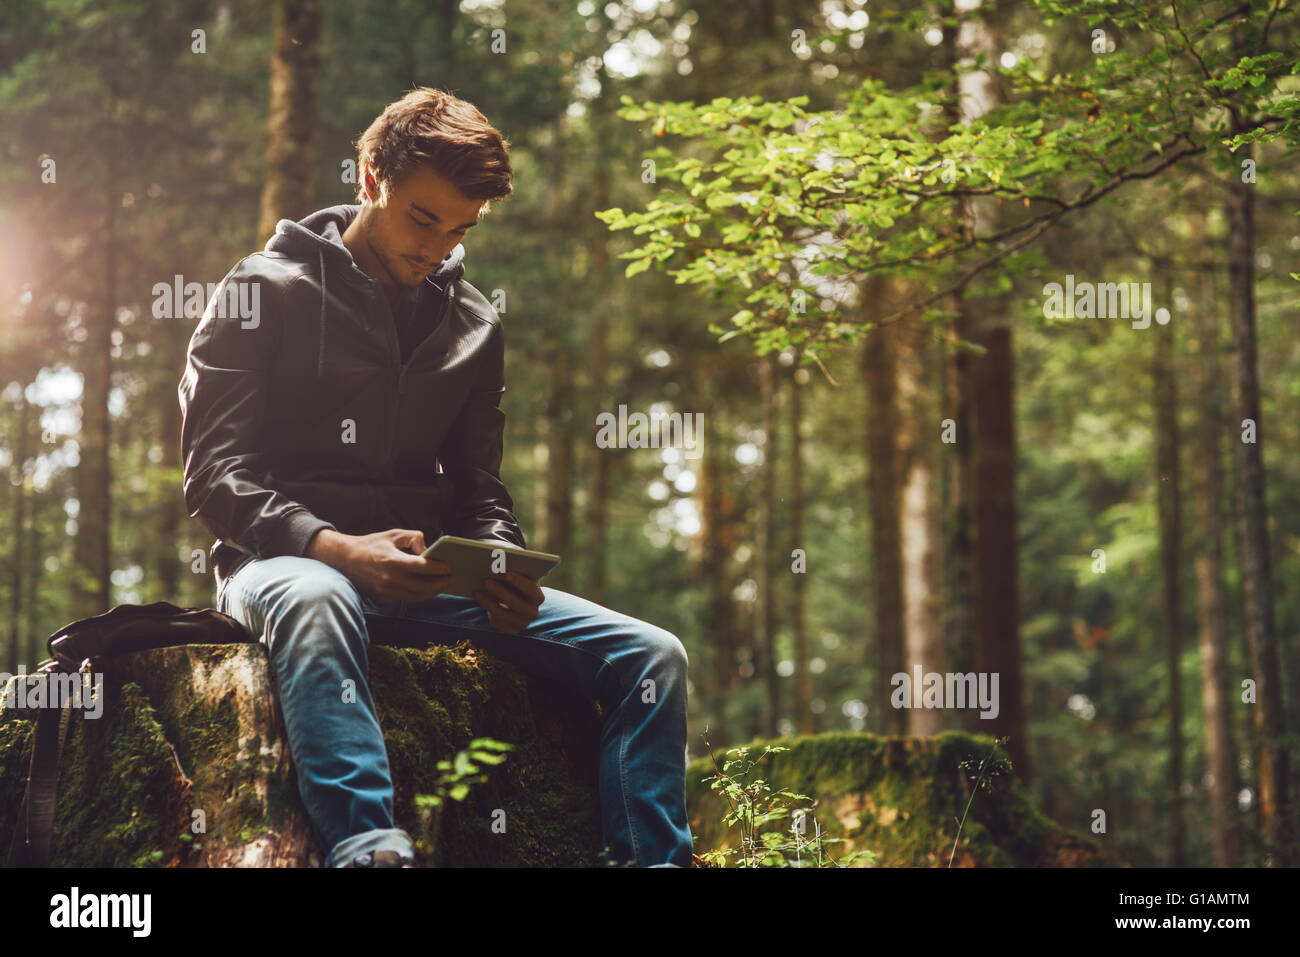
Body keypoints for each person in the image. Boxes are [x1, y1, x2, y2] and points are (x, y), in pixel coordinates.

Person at [177, 87, 693, 868]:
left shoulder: (476, 323)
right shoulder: (261, 290)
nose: (438, 247)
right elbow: (215, 474)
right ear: (371, 177)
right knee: (318, 596)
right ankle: (369, 847)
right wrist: (339, 549)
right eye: (424, 219)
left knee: (653, 654)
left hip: (429, 585)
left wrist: (497, 562)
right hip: (284, 571)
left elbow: (478, 482)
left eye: (460, 228)